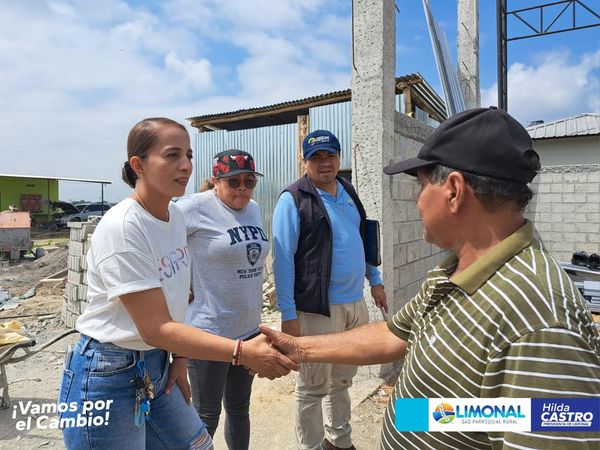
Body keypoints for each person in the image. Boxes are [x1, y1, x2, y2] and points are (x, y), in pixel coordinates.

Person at [263, 108, 600, 449]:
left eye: (421, 185)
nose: (416, 199)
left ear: (454, 191)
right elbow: (395, 335)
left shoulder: (542, 323)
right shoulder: (451, 273)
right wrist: (411, 419)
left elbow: (558, 423)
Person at [58, 118, 297, 450]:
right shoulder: (124, 228)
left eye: (188, 155)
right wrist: (242, 352)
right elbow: (156, 327)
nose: (185, 165)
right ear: (138, 165)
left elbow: (179, 297)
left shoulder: (175, 218)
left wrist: (179, 359)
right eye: (172, 155)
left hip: (156, 363)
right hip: (108, 372)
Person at [272, 129, 388, 450]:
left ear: (339, 157)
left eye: (330, 155)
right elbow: (283, 260)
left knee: (341, 381)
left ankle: (338, 440)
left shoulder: (347, 189)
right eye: (317, 157)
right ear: (304, 161)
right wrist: (288, 315)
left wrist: (375, 280)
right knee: (313, 386)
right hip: (317, 310)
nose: (325, 162)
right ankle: (311, 446)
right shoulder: (293, 199)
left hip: (354, 304)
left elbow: (363, 238)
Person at [176, 149, 268, 450]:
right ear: (216, 181)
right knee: (206, 416)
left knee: (240, 409)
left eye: (249, 181)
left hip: (248, 331)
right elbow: (157, 239)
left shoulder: (253, 208)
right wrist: (178, 283)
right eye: (233, 181)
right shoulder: (193, 207)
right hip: (209, 332)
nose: (242, 188)